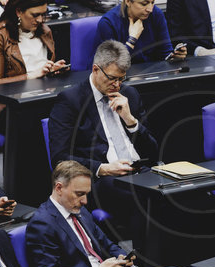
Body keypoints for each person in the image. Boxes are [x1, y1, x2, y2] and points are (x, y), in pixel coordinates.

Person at [49, 40, 157, 245]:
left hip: (139, 171)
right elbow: (59, 158)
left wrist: (131, 121)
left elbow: (153, 152)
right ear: (96, 69)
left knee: (171, 195)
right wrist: (104, 168)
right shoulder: (70, 101)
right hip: (101, 180)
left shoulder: (129, 95)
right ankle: (147, 265)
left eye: (122, 79)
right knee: (146, 200)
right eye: (112, 78)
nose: (117, 85)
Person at [25, 161, 177, 267]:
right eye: (79, 194)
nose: (85, 201)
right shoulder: (42, 223)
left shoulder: (81, 211)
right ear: (59, 188)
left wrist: (121, 256)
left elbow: (106, 243)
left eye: (86, 194)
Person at [0, 0, 67, 122]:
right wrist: (32, 75)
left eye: (43, 14)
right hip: (10, 103)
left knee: (72, 105)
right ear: (19, 12)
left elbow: (41, 69)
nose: (40, 20)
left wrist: (51, 70)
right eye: (35, 15)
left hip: (41, 95)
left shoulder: (45, 31)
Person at [95, 0, 186, 63]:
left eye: (152, 2)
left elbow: (165, 53)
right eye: (144, 3)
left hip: (152, 74)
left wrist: (175, 57)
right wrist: (132, 40)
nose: (150, 9)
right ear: (128, 1)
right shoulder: (108, 23)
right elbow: (112, 67)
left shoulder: (156, 14)